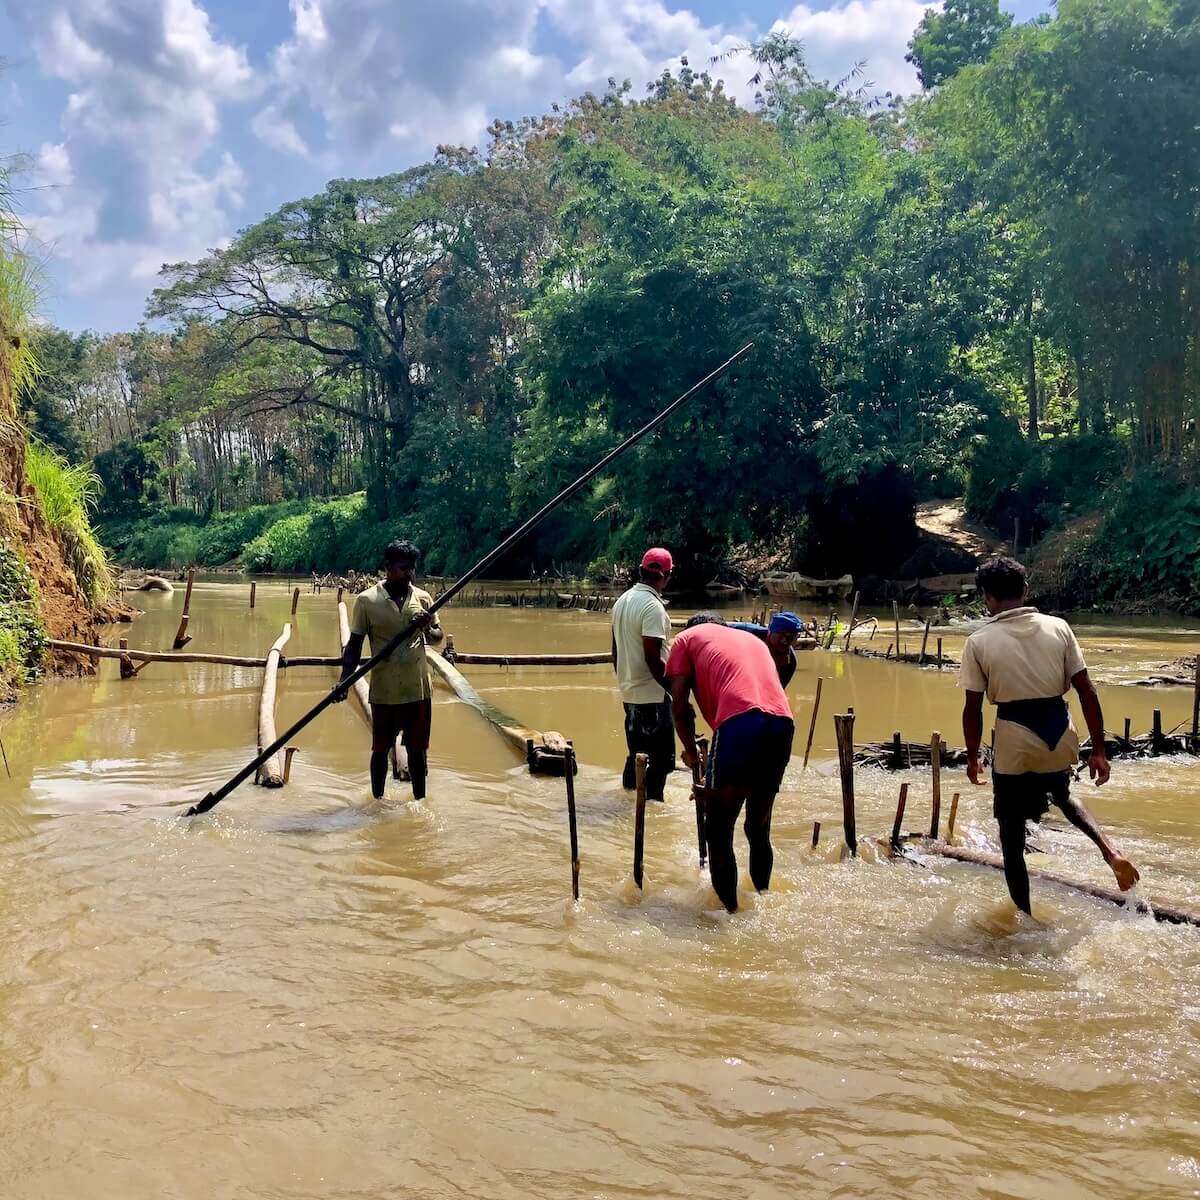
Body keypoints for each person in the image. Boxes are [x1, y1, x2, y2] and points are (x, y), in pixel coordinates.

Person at [960, 555, 1139, 915]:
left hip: (1014, 734)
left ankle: (1025, 919)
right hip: (1060, 729)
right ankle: (1110, 851)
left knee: (1011, 836)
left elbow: (972, 709)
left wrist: (972, 757)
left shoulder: (979, 641)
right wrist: (1099, 751)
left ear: (987, 598)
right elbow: (1087, 691)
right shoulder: (1059, 627)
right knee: (1062, 792)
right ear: (1025, 591)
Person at [665, 612, 795, 912]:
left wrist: (689, 750)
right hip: (782, 723)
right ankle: (763, 897)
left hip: (739, 722)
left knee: (718, 829)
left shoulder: (685, 639)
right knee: (758, 827)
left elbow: (680, 704)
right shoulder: (752, 639)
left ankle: (730, 915)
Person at [335, 540, 443, 801]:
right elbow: (354, 646)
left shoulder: (423, 598)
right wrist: (344, 681)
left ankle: (419, 803)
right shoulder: (367, 601)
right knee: (380, 750)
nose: (409, 574)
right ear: (388, 568)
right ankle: (378, 802)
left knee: (417, 752)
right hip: (384, 691)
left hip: (417, 689)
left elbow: (437, 637)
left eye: (412, 569)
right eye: (403, 568)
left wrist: (427, 627)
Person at [611, 548, 675, 802]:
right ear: (667, 575)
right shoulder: (652, 607)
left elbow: (614, 649)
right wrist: (674, 691)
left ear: (641, 570)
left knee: (636, 755)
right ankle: (652, 809)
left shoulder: (623, 600)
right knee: (661, 762)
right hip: (653, 694)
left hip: (631, 692)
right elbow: (652, 657)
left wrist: (625, 681)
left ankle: (627, 801)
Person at [729, 611, 805, 687]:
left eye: (790, 637)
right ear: (771, 631)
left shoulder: (790, 662)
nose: (785, 640)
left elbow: (778, 689)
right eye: (781, 635)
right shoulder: (748, 633)